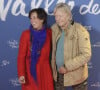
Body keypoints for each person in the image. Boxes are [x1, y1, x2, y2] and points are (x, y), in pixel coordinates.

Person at [51, 3, 92, 90]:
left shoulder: (80, 30)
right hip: (58, 74)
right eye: (56, 16)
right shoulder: (54, 29)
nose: (57, 19)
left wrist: (67, 66)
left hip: (77, 76)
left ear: (69, 16)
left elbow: (86, 54)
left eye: (60, 16)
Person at [17, 8, 54, 90]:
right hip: (30, 72)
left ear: (42, 19)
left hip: (45, 71)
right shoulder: (26, 34)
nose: (32, 20)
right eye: (31, 18)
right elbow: (21, 57)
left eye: (34, 17)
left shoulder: (49, 33)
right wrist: (21, 74)